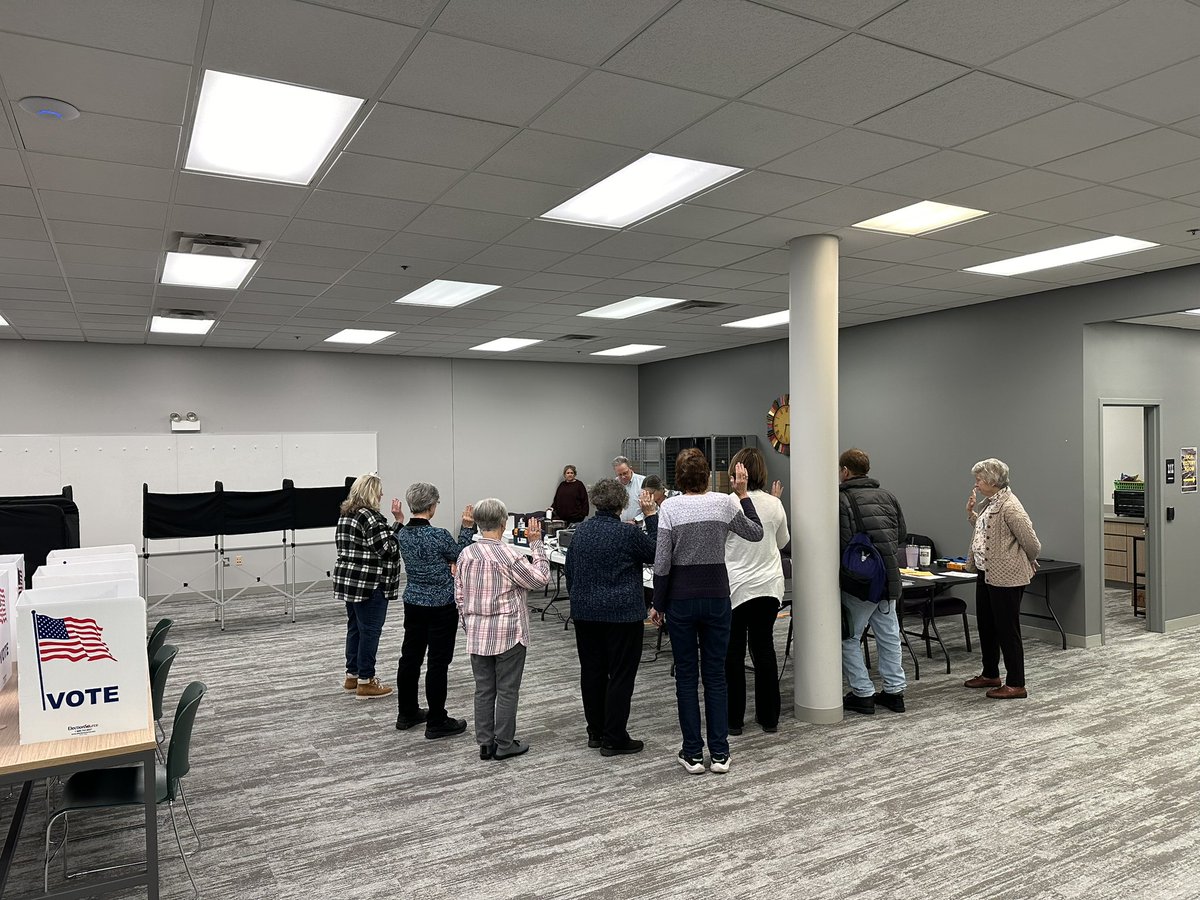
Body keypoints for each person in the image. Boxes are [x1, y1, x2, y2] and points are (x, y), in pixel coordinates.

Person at [650, 448, 762, 775]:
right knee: (716, 676)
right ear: (707, 475)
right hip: (717, 597)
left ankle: (693, 755)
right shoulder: (725, 502)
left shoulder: (668, 507)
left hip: (681, 600)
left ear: (679, 477)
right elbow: (755, 532)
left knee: (686, 677)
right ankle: (721, 754)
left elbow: (661, 563)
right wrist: (743, 496)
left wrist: (658, 603)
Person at [564, 479, 658, 756]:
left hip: (585, 613)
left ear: (595, 502)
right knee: (620, 675)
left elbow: (570, 573)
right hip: (622, 615)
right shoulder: (627, 534)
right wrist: (651, 516)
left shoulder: (580, 533)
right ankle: (614, 737)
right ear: (622, 504)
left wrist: (580, 600)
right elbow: (657, 553)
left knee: (592, 672)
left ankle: (596, 731)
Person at [455, 498, 550, 761]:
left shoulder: (466, 554)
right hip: (508, 633)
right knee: (507, 690)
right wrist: (537, 546)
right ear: (503, 523)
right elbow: (540, 579)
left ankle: (485, 744)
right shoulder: (508, 554)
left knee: (483, 690)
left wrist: (468, 626)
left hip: (477, 632)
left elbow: (459, 597)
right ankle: (505, 743)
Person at [394, 482, 475, 739]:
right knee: (438, 663)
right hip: (441, 605)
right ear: (431, 506)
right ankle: (437, 720)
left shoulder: (402, 534)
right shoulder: (438, 535)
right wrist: (466, 527)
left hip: (414, 602)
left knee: (410, 658)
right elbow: (461, 556)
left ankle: (406, 713)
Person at [723, 448, 789, 735]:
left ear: (736, 472)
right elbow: (783, 541)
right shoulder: (774, 504)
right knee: (764, 651)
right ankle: (769, 719)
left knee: (733, 654)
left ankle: (734, 721)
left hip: (736, 587)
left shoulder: (726, 504)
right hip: (768, 586)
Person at [964, 458, 1041, 700]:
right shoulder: (991, 503)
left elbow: (1032, 543)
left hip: (1007, 577)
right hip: (986, 573)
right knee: (987, 625)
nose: (975, 483)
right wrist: (971, 515)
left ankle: (1016, 683)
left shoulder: (1011, 506)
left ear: (991, 481)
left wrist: (1029, 559)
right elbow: (989, 533)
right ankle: (990, 673)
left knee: (1008, 630)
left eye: (979, 479)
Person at [838, 448, 907, 716]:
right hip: (889, 577)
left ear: (845, 471)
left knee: (848, 637)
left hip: (862, 582)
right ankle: (894, 691)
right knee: (889, 636)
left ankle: (863, 692)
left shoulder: (842, 499)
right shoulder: (888, 496)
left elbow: (843, 542)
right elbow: (901, 533)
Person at [334, 472, 402, 700]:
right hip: (370, 583)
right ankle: (366, 681)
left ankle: (352, 675)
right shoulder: (370, 516)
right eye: (379, 490)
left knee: (355, 628)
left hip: (350, 582)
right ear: (371, 493)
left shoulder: (346, 514)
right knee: (370, 630)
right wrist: (399, 524)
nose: (382, 494)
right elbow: (388, 549)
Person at [612, 456, 645, 523]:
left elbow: (651, 507)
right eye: (620, 474)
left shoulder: (643, 482)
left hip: (638, 525)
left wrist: (636, 520)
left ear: (630, 468)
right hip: (619, 525)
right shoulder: (613, 485)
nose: (623, 477)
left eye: (625, 473)